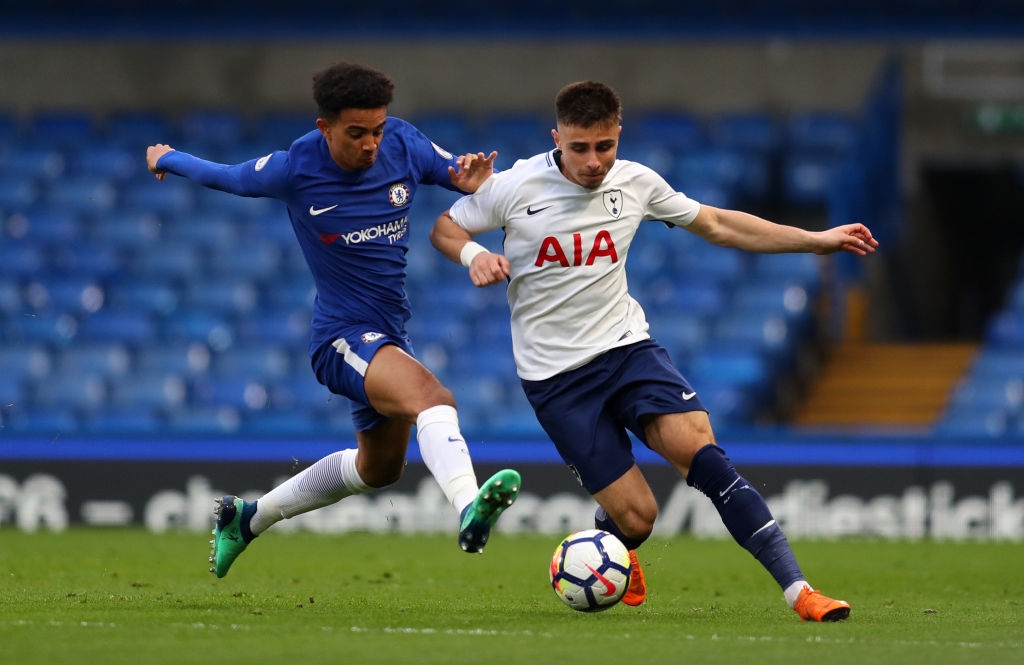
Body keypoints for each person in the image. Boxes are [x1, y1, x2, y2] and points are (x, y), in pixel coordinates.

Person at [431, 80, 878, 621]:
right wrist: (474, 254)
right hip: (557, 381)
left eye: (604, 146)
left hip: (627, 350)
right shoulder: (516, 186)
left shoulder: (637, 182)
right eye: (579, 149)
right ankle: (608, 540)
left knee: (705, 456)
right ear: (557, 139)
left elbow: (716, 223)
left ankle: (799, 591)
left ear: (618, 134)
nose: (594, 161)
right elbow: (445, 227)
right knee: (639, 519)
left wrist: (814, 238)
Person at [145, 61, 519, 578]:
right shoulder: (295, 166)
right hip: (341, 337)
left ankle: (247, 519)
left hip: (389, 334)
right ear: (325, 128)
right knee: (433, 399)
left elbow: (459, 174)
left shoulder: (403, 144)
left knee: (379, 469)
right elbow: (226, 177)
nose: (371, 144)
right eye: (357, 133)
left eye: (378, 130)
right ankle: (468, 508)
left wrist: (472, 180)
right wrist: (168, 156)